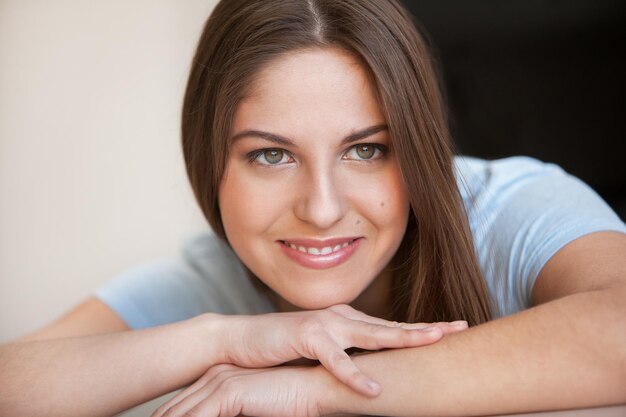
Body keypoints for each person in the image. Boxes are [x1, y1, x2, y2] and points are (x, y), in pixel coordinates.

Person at [2, 0, 625, 416]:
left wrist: (317, 388)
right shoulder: (215, 280)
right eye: (272, 156)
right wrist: (227, 339)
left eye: (366, 150)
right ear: (209, 160)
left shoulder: (506, 209)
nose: (323, 209)